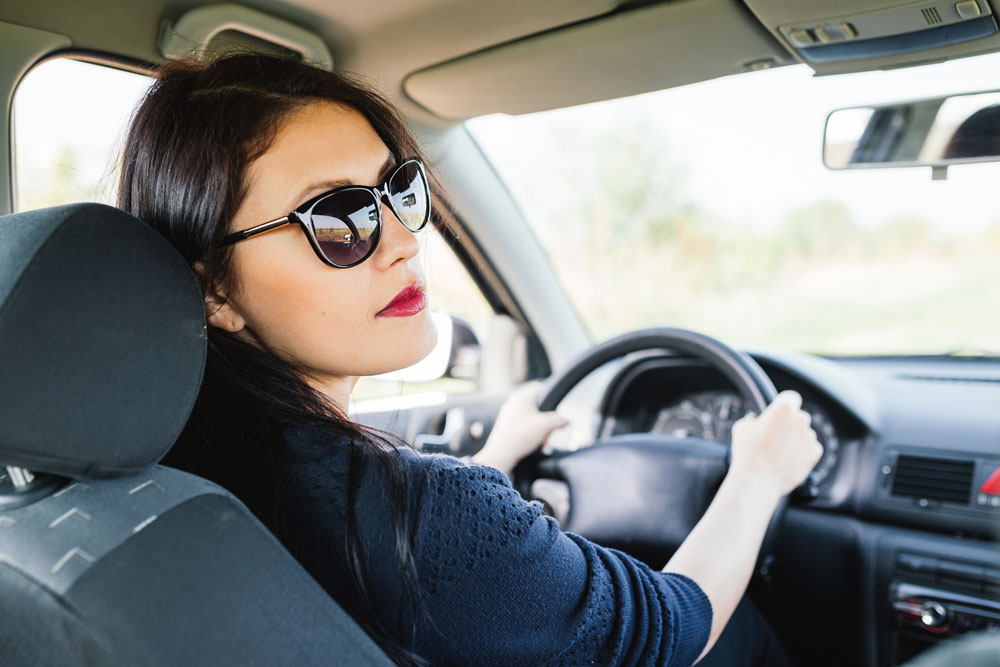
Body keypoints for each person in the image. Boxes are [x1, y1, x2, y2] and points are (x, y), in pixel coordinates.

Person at [117, 52, 823, 666]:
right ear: (214, 288)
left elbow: (409, 552)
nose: (401, 240)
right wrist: (758, 476)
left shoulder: (169, 474)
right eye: (337, 219)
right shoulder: (423, 515)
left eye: (398, 190)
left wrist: (500, 450)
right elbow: (670, 629)